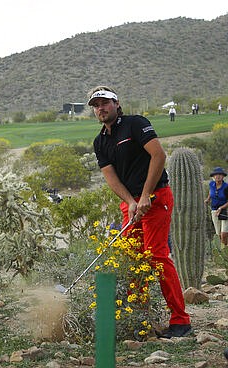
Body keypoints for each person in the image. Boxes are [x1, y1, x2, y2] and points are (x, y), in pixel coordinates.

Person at [88, 86, 191, 338]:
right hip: (131, 203)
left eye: (105, 103)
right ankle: (140, 318)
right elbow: (111, 177)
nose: (100, 108)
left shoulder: (135, 124)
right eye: (96, 105)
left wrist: (144, 195)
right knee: (132, 259)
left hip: (156, 197)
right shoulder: (100, 141)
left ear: (116, 103)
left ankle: (180, 320)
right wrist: (130, 201)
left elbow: (158, 156)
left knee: (157, 255)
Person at [204, 167, 228, 247]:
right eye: (216, 175)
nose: (218, 176)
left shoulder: (226, 187)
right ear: (213, 176)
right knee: (218, 234)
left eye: (220, 175)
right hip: (214, 211)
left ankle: (225, 252)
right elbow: (211, 193)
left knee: (224, 233)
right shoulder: (211, 184)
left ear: (223, 176)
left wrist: (221, 208)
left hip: (225, 211)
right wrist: (207, 199)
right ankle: (222, 250)